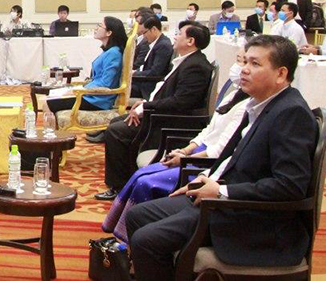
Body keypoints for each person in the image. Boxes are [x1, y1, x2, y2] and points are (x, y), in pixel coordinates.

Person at [125, 36, 317, 280]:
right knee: (137, 215)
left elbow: (290, 185)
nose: (244, 69)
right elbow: (232, 158)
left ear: (281, 74)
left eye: (255, 64)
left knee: (146, 240)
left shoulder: (291, 113)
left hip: (252, 218)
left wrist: (221, 191)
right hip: (225, 202)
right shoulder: (259, 104)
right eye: (245, 61)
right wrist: (204, 178)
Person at [103, 51, 250, 241]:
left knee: (145, 181)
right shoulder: (233, 96)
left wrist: (187, 157)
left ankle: (127, 235)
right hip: (197, 151)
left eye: (249, 63)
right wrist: (186, 149)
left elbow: (221, 149)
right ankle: (120, 230)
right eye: (241, 62)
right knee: (140, 173)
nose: (243, 69)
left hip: (205, 161)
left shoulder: (246, 106)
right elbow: (208, 130)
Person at [95, 21, 214, 200]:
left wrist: (146, 107)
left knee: (115, 131)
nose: (175, 37)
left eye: (179, 34)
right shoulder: (186, 60)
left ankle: (118, 187)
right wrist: (145, 103)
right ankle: (127, 180)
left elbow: (181, 102)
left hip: (169, 122)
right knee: (116, 122)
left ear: (190, 41)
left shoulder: (195, 66)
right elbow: (168, 93)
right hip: (159, 113)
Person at [46, 17, 127, 114]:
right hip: (91, 95)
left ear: (109, 33)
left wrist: (82, 89)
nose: (96, 28)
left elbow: (106, 83)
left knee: (47, 103)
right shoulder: (109, 51)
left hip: (97, 100)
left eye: (100, 26)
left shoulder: (113, 53)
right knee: (52, 97)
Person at [130, 17, 174, 99]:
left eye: (144, 32)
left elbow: (155, 72)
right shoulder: (156, 43)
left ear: (154, 29)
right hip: (143, 81)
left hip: (148, 86)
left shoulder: (163, 45)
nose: (144, 36)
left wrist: (134, 74)